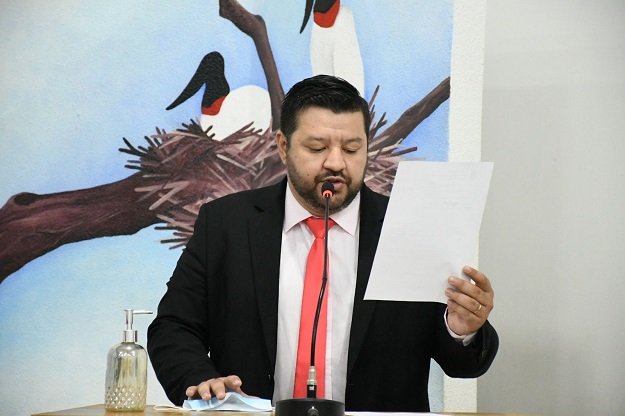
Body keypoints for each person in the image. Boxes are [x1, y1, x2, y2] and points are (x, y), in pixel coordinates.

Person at [147, 74, 498, 412]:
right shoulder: (226, 224)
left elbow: (462, 363)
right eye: (317, 148)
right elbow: (174, 327)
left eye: (352, 148)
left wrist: (461, 330)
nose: (336, 163)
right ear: (283, 146)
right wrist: (202, 381)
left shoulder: (410, 227)